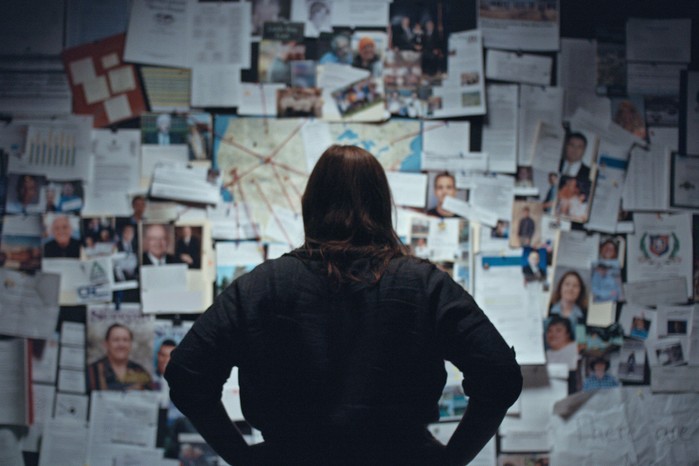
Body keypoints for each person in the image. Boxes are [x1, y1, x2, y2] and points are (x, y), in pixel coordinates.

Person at [165, 145, 522, 466]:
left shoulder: (261, 285)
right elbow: (500, 375)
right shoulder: (424, 285)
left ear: (310, 205)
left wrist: (241, 458)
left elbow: (186, 374)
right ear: (382, 207)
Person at [87, 323, 153, 391]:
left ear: (130, 344)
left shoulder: (140, 371)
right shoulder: (91, 372)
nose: (121, 344)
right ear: (106, 344)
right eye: (116, 340)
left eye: (125, 340)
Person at [549, 270, 588, 335]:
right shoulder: (548, 310)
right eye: (567, 284)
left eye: (575, 286)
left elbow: (581, 341)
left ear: (580, 291)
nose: (570, 288)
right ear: (560, 287)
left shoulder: (584, 316)